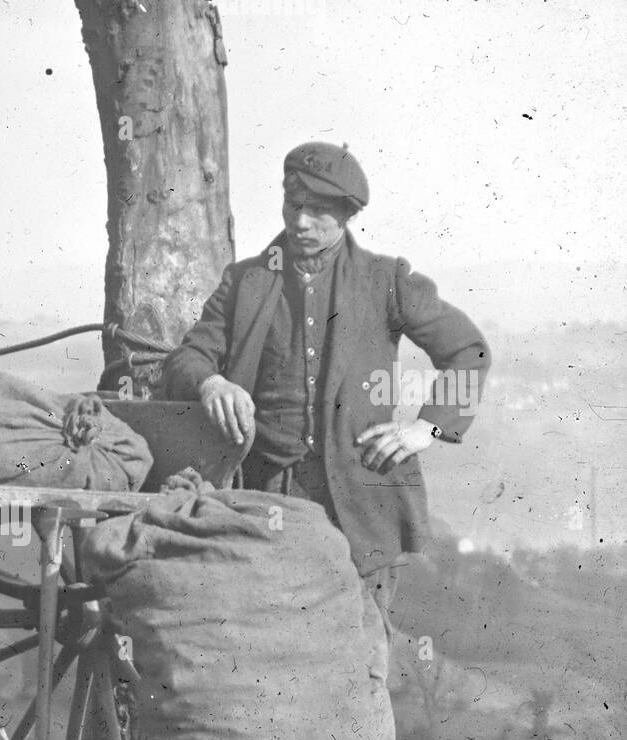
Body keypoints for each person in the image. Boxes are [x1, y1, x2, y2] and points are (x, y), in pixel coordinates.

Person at [162, 141, 490, 621]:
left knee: (362, 653)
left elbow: (468, 350)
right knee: (270, 647)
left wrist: (429, 428)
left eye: (318, 211)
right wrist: (211, 383)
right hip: (265, 499)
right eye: (294, 206)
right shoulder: (244, 283)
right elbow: (186, 360)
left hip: (360, 505)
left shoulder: (386, 281)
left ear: (346, 215)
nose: (300, 223)